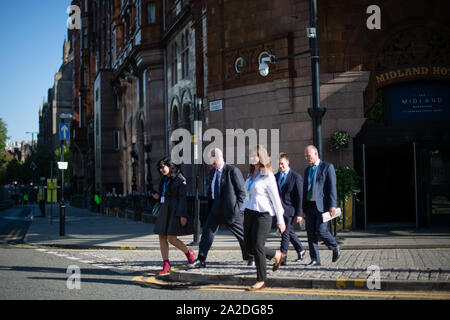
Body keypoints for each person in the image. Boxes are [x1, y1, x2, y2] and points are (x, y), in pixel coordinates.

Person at [188, 148, 254, 268]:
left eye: (215, 159)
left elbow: (242, 193)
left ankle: (251, 256)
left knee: (242, 236)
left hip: (231, 210)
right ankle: (201, 259)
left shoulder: (232, 171)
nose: (213, 162)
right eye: (211, 160)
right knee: (207, 234)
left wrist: (238, 209)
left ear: (221, 156)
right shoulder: (213, 172)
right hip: (215, 209)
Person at [242, 145, 286, 291]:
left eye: (255, 155)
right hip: (249, 214)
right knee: (249, 247)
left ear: (262, 157)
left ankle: (261, 280)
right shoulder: (250, 176)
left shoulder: (268, 175)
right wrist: (243, 213)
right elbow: (247, 195)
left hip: (263, 215)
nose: (252, 158)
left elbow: (276, 199)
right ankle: (277, 254)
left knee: (258, 246)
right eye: (251, 156)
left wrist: (280, 220)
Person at [152, 157, 195, 275]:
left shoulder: (180, 179)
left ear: (169, 166)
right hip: (165, 209)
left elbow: (182, 199)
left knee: (171, 238)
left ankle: (188, 252)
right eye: (159, 168)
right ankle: (166, 263)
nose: (161, 170)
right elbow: (164, 193)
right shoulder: (164, 179)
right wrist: (158, 196)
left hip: (175, 211)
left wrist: (183, 215)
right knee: (162, 237)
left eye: (162, 167)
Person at [301, 145, 341, 266]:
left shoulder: (327, 167)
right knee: (310, 233)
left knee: (321, 231)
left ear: (316, 154)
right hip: (309, 206)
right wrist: (303, 208)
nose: (307, 158)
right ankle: (315, 259)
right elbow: (305, 189)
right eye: (305, 156)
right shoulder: (307, 170)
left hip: (322, 206)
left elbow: (332, 187)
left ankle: (335, 246)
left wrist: (332, 205)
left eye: (309, 156)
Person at [274, 153, 306, 265]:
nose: (280, 166)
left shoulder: (295, 176)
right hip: (279, 210)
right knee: (289, 231)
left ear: (288, 162)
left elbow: (299, 196)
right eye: (279, 164)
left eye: (282, 163)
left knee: (285, 233)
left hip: (290, 210)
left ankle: (282, 258)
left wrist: (299, 213)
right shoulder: (276, 176)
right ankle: (301, 249)